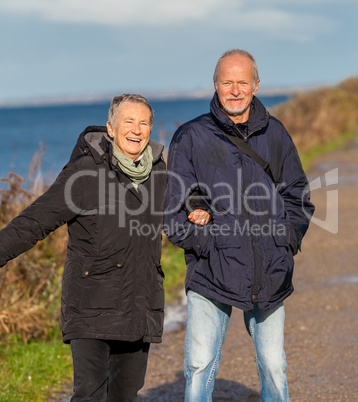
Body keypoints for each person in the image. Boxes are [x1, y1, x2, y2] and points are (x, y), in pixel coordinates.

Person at [164, 49, 315, 401]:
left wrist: (286, 241)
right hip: (211, 269)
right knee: (199, 365)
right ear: (215, 85)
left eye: (242, 82)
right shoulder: (190, 137)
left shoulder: (276, 134)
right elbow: (173, 211)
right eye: (227, 82)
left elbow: (298, 196)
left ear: (256, 85)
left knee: (274, 366)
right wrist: (206, 243)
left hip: (269, 267)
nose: (235, 90)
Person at [0, 94, 167, 401]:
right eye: (128, 121)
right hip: (91, 306)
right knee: (89, 395)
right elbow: (36, 221)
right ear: (111, 128)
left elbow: (186, 210)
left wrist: (200, 207)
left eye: (144, 123)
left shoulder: (159, 174)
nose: (136, 129)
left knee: (126, 396)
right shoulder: (84, 173)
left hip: (139, 307)